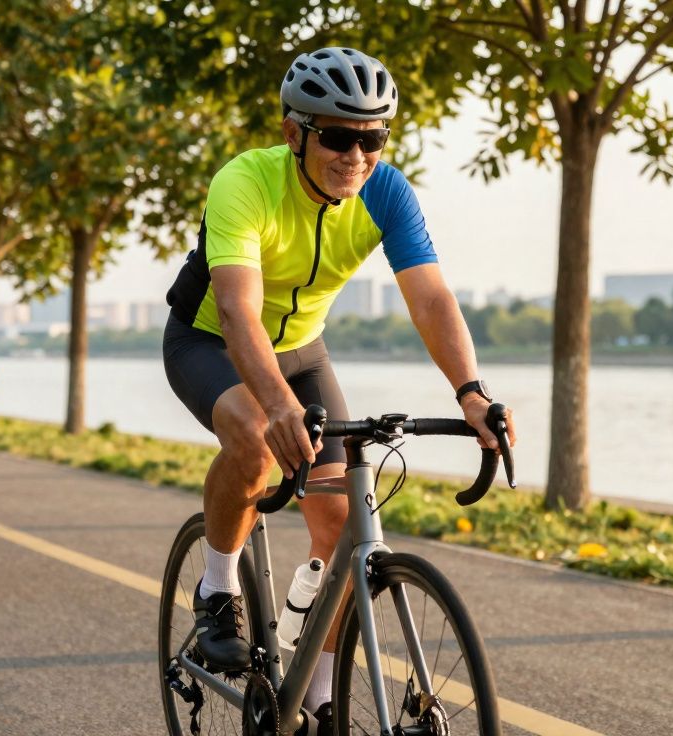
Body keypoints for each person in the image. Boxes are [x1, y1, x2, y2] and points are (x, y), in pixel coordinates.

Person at [161, 47, 517, 726]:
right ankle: (216, 586)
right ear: (295, 133)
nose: (356, 154)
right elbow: (238, 310)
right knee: (258, 444)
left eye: (373, 137)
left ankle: (319, 700)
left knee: (341, 525)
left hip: (302, 351)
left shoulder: (385, 192)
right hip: (209, 341)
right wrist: (275, 407)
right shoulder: (245, 182)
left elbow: (432, 299)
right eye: (337, 135)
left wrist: (470, 392)